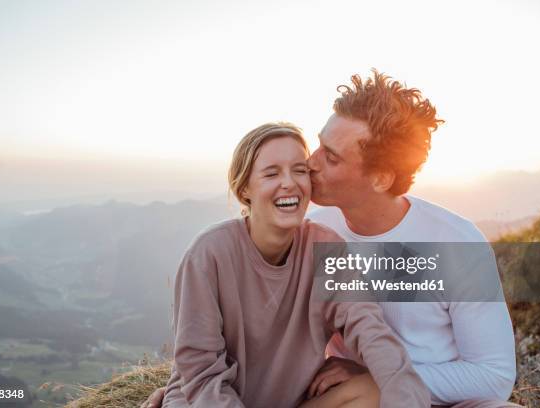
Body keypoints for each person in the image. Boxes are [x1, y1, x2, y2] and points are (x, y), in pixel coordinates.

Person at [142, 122, 430, 408]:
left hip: (287, 401)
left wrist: (406, 397)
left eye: (299, 170)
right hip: (208, 403)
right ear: (244, 188)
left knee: (372, 391)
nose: (289, 182)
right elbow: (201, 374)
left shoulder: (326, 250)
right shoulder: (208, 255)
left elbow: (369, 328)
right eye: (271, 173)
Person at [305, 70, 519, 408]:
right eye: (318, 145)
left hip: (440, 400)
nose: (310, 163)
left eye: (331, 157)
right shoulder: (313, 232)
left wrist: (383, 378)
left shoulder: (458, 243)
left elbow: (493, 375)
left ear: (380, 178)